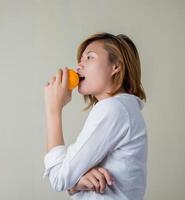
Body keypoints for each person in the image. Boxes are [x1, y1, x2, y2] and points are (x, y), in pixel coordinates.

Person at [43, 32, 147, 200]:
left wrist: (53, 109)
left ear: (115, 67)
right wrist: (77, 181)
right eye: (80, 59)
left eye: (89, 57)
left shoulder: (113, 109)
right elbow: (68, 175)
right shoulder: (122, 108)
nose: (78, 66)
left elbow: (59, 177)